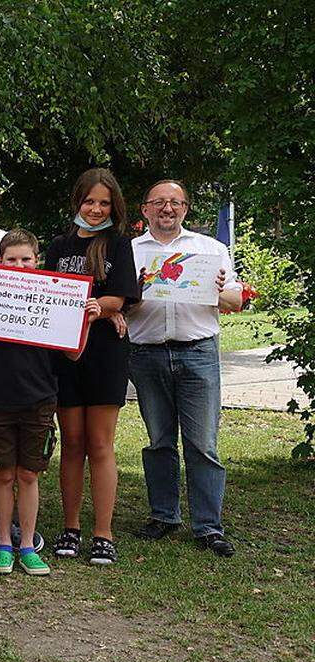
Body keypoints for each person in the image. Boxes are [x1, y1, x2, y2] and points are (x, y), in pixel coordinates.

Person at [125, 180, 242, 556]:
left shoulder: (210, 249)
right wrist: (132, 295)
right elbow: (119, 305)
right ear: (145, 210)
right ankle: (164, 516)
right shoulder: (128, 252)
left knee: (203, 443)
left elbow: (235, 300)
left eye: (175, 203)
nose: (167, 209)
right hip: (147, 354)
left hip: (198, 352)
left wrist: (221, 289)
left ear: (186, 209)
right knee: (159, 440)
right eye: (159, 202)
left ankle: (208, 527)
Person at [0, 229, 99, 576]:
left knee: (28, 475)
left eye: (26, 259)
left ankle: (27, 544)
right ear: (0, 263)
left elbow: (74, 353)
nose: (19, 266)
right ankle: (3, 542)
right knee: (3, 476)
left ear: (37, 260)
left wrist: (86, 321)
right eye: (11, 260)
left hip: (40, 399)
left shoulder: (54, 298)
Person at [44, 168, 140, 566]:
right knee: (72, 443)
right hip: (65, 355)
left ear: (113, 205)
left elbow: (123, 297)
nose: (96, 209)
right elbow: (44, 297)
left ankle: (103, 532)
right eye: (90, 202)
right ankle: (70, 528)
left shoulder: (119, 244)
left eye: (104, 203)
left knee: (100, 444)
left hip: (104, 353)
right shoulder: (58, 245)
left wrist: (101, 310)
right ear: (77, 202)